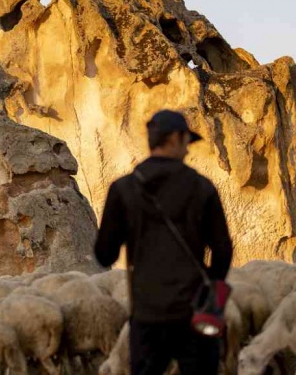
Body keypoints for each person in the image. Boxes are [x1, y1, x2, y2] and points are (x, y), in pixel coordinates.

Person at [94, 109, 233, 375]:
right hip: (195, 314)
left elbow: (105, 255)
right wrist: (211, 290)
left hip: (147, 315)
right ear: (175, 138)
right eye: (186, 142)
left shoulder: (123, 189)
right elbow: (223, 250)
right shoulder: (202, 188)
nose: (188, 150)